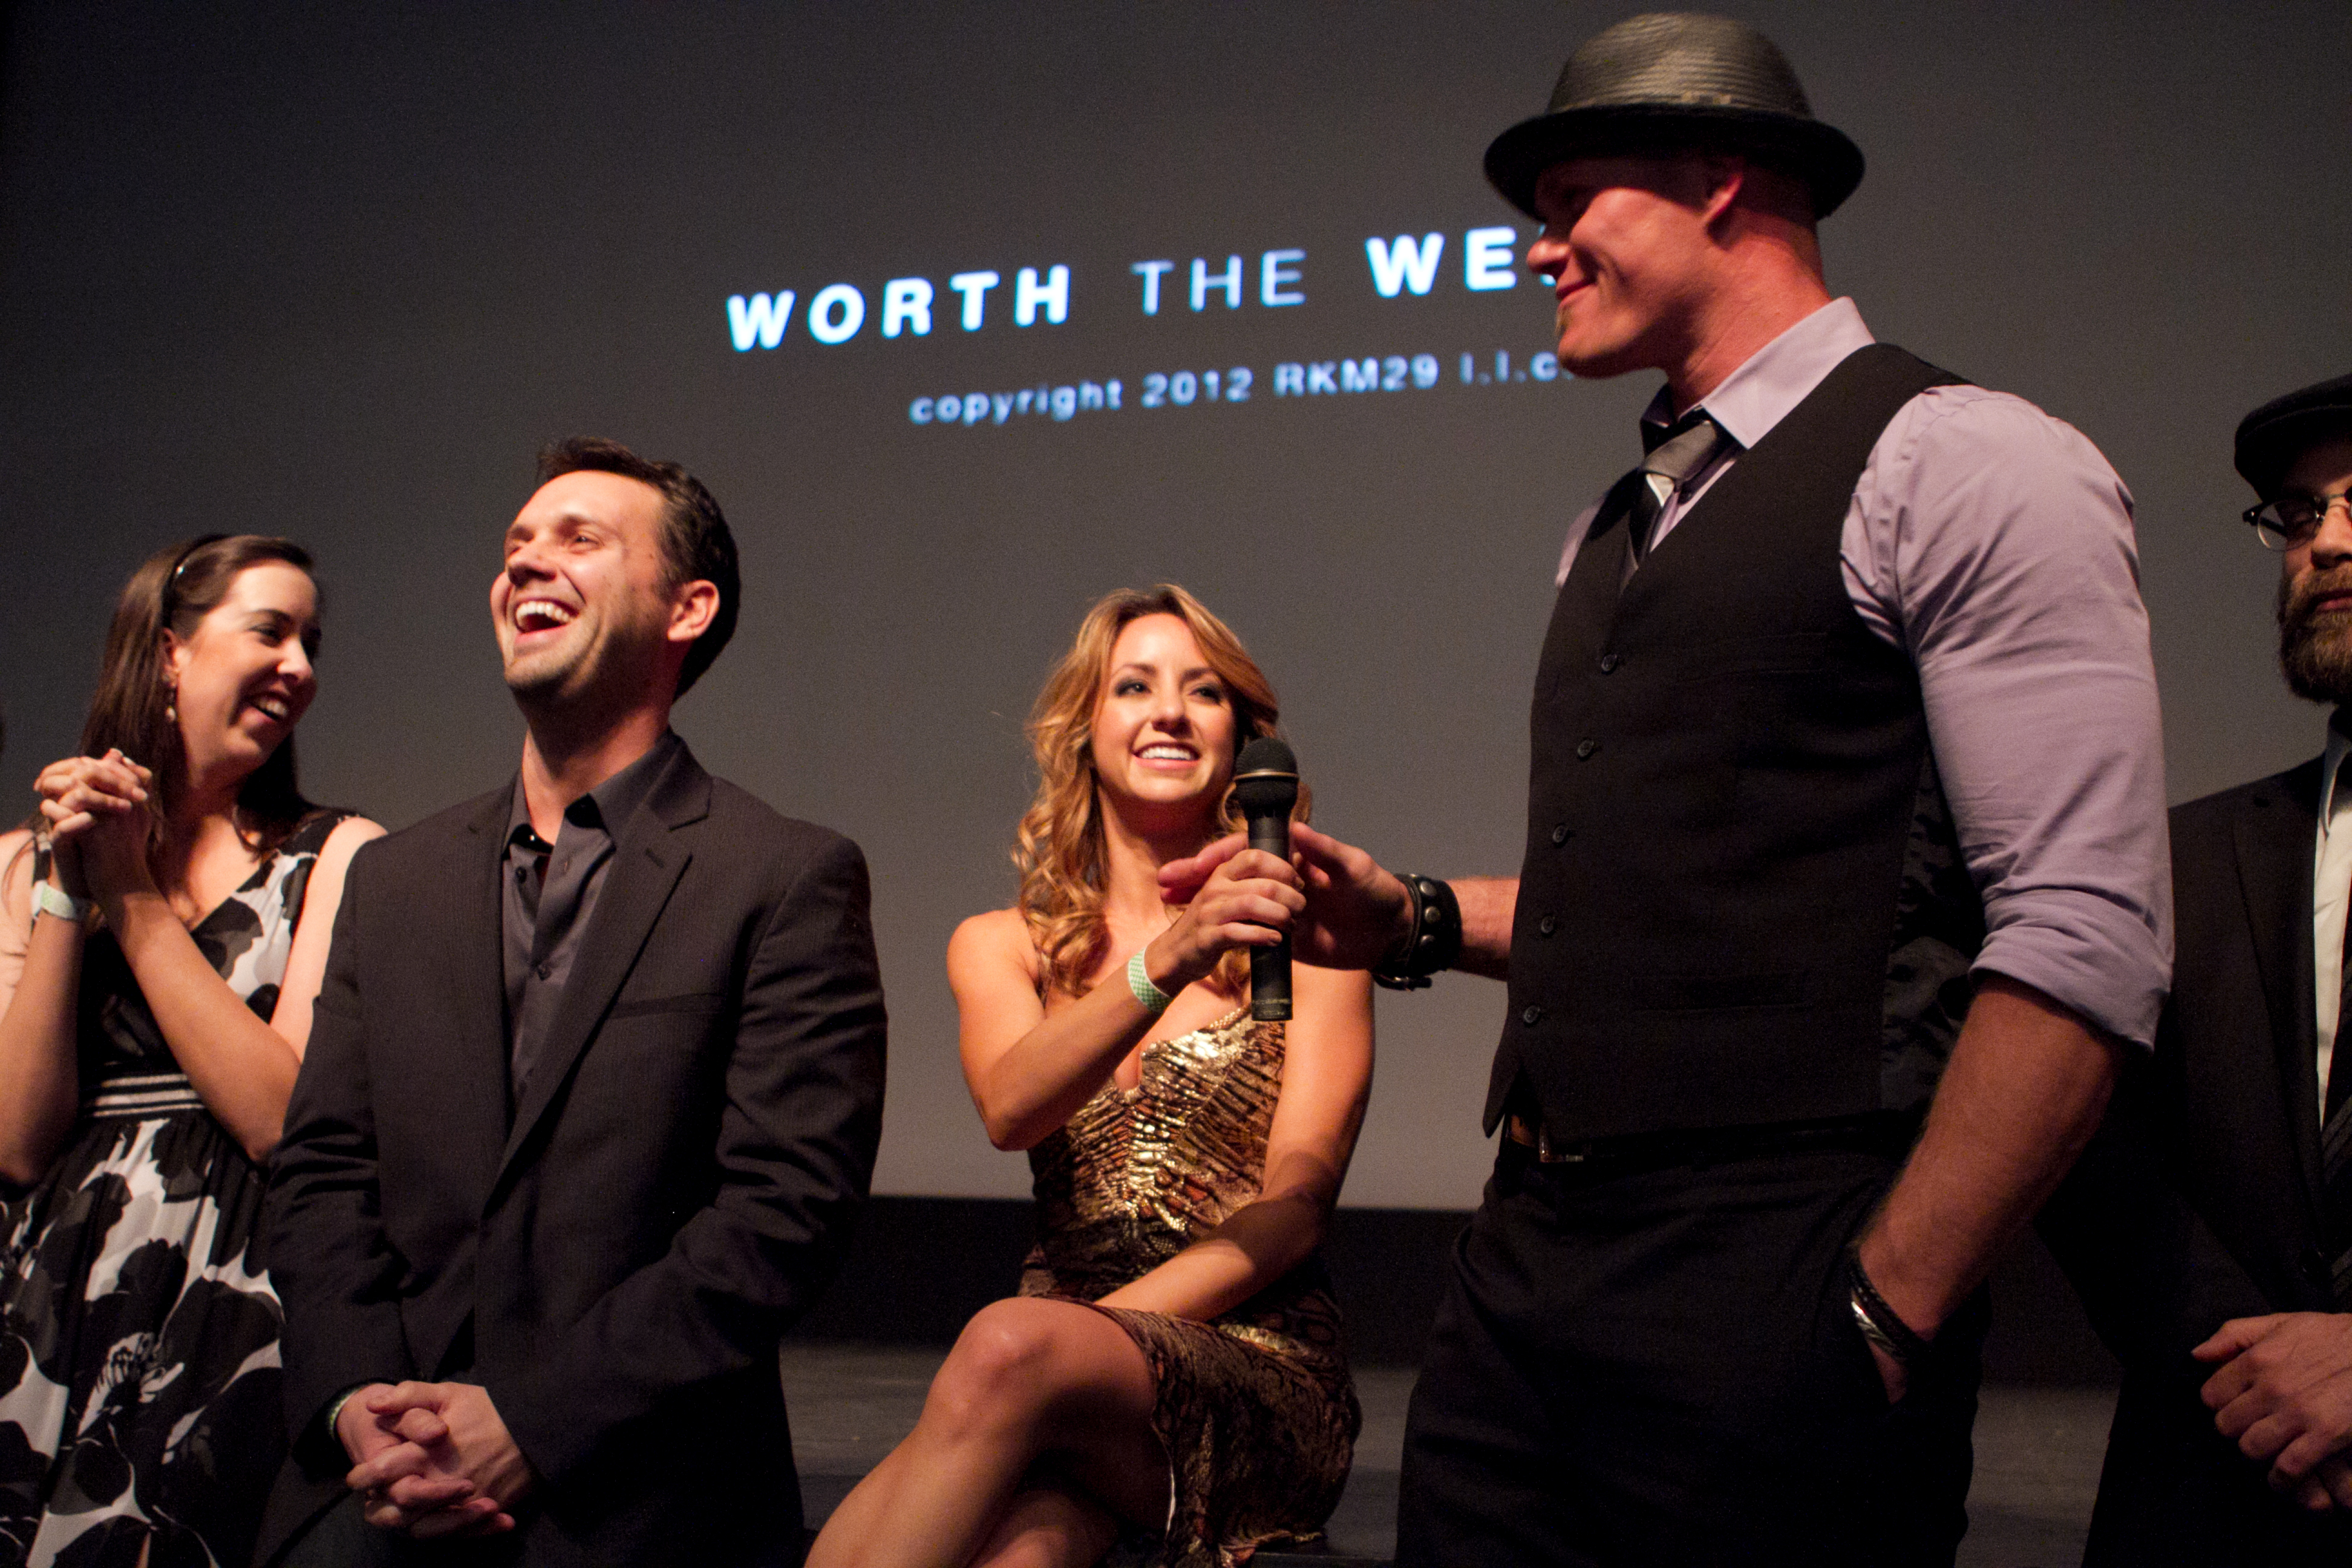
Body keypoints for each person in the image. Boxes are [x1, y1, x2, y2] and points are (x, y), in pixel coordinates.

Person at [1165, 14, 2171, 1564]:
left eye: (1574, 202)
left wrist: (1889, 1303)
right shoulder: (1612, 526)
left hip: (1785, 1263)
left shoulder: (1964, 462)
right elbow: (1671, 902)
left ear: (1720, 179)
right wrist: (1416, 916)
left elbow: (2083, 934)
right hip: (1532, 1262)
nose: (1539, 250)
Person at [257, 439, 887, 1566]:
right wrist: (360, 1403)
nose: (527, 565)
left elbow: (783, 1215)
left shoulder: (783, 875)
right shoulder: (395, 880)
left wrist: (530, 1424)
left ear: (687, 609)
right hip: (376, 1481)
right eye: (515, 548)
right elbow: (322, 1173)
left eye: (578, 540)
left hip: (635, 1496)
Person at [808, 586, 1372, 1568]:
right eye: (1134, 687)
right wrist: (1169, 959)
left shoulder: (1313, 946)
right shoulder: (1002, 946)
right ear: (1086, 729)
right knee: (1025, 1553)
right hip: (1058, 1368)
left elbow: (1299, 1206)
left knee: (1005, 1354)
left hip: (1253, 1364)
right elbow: (1013, 1109)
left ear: (1242, 736)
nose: (1168, 711)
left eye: (1203, 692)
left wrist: (1079, 1340)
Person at [0, 534, 381, 1567]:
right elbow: (20, 1142)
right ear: (170, 651)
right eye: (271, 630)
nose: (300, 665)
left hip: (236, 1285)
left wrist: (132, 900)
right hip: (51, 1287)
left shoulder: (339, 855)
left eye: (312, 641)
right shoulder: (28, 859)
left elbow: (279, 1118)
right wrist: (70, 887)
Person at [2039, 372, 2352, 1563]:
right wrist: (2261, 1371)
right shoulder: (2177, 858)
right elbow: (2091, 1148)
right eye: (2301, 513)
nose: (2325, 543)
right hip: (2212, 1490)